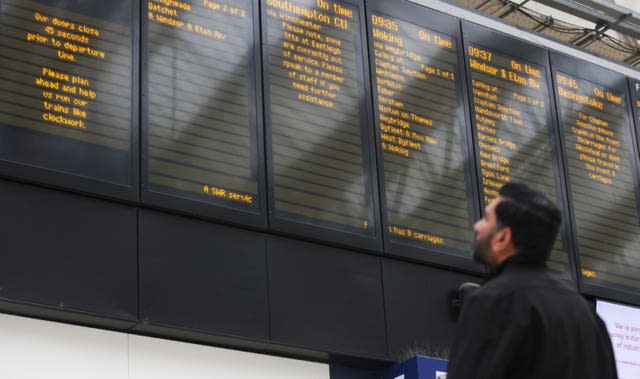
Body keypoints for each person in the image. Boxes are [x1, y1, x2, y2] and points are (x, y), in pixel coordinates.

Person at [447, 183, 617, 379]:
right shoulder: (589, 317)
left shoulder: (493, 301)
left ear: (503, 238)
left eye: (486, 219)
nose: (476, 225)